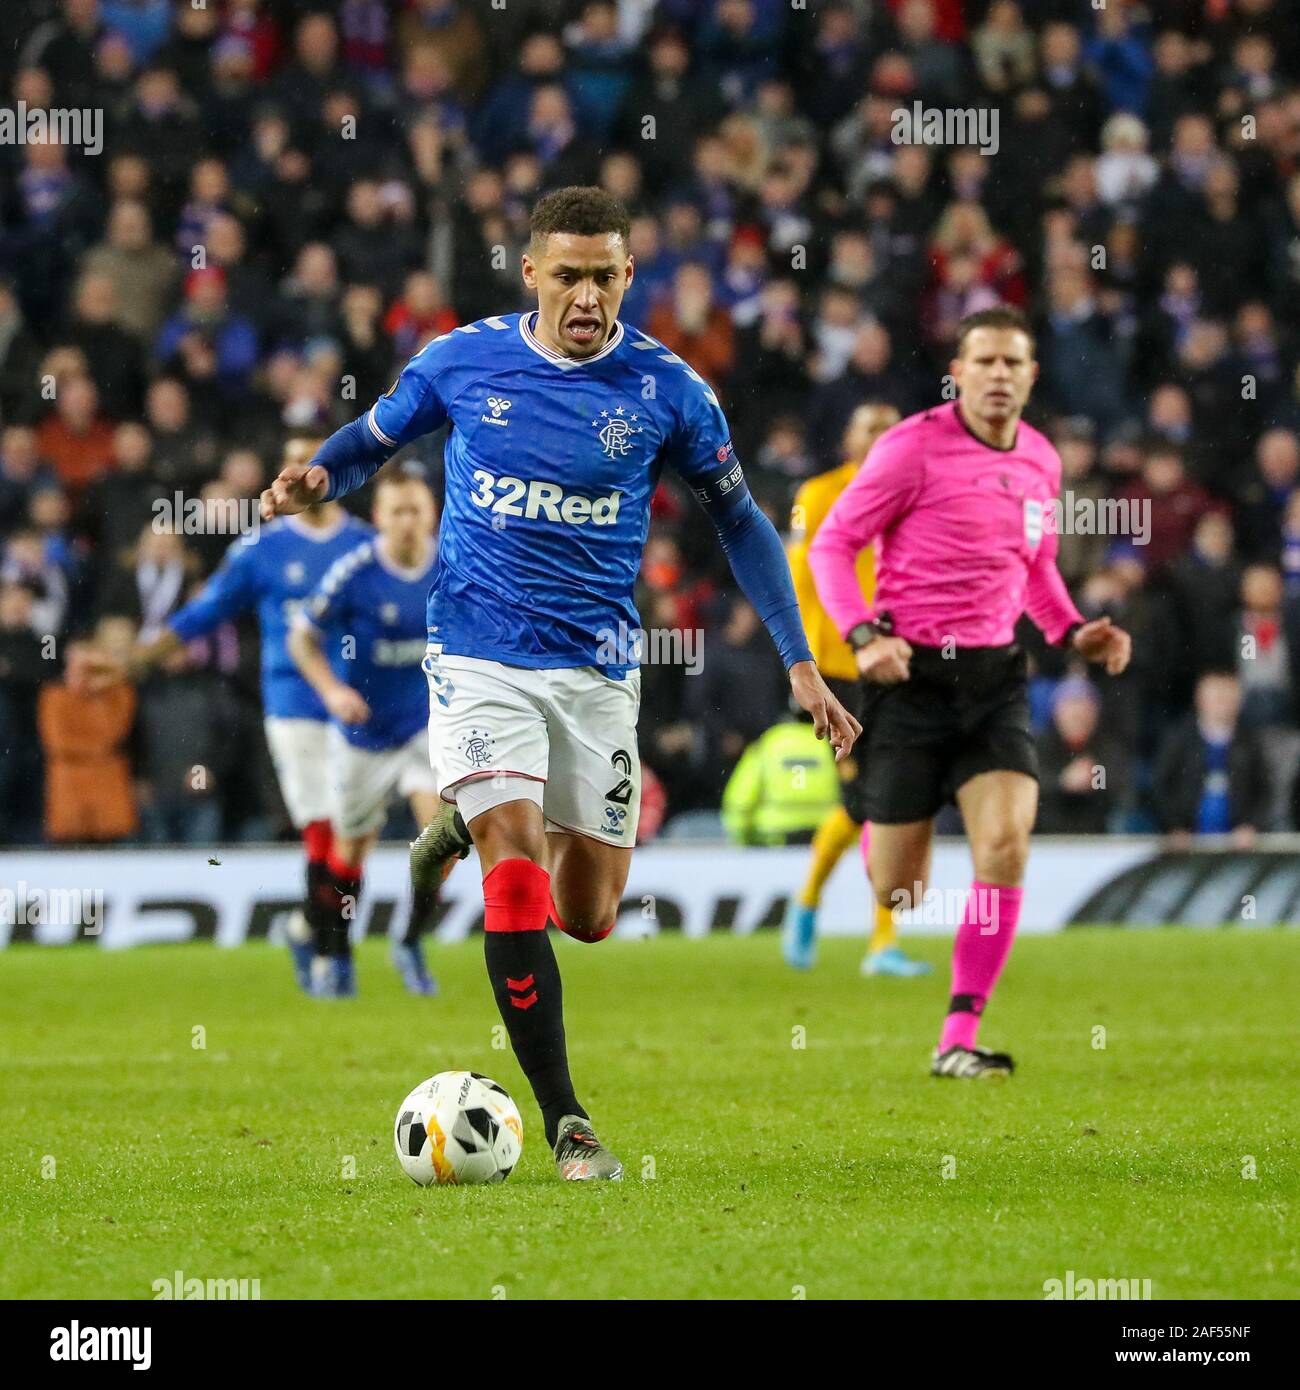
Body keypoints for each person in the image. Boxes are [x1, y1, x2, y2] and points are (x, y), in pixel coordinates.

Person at [260, 185, 859, 1180]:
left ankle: (467, 820)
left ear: (629, 275)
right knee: (515, 861)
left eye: (606, 275)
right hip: (478, 656)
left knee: (587, 914)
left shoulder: (669, 389)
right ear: (532, 272)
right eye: (568, 274)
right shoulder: (460, 360)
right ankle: (567, 1121)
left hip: (595, 672)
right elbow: (372, 439)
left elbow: (742, 521)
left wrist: (801, 659)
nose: (587, 295)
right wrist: (318, 476)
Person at [808, 305, 1132, 1080]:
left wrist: (1070, 631)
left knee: (1005, 846)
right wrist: (861, 636)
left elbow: (1037, 567)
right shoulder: (910, 448)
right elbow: (832, 544)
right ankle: (871, 823)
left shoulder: (1042, 463)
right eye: (982, 361)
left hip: (993, 680)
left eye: (1011, 363)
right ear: (958, 372)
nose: (996, 375)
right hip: (907, 679)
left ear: (1030, 376)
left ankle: (959, 1033)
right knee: (901, 888)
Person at [71, 434, 373, 991]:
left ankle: (309, 928)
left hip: (360, 708)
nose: (303, 472)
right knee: (326, 826)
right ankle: (337, 954)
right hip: (294, 705)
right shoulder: (261, 549)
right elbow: (202, 614)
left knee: (359, 833)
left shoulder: (366, 547)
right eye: (292, 461)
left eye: (315, 459)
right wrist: (132, 663)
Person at [783, 400, 930, 976]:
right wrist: (800, 660)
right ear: (850, 437)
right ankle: (874, 937)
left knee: (874, 800)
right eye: (870, 427)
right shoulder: (816, 495)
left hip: (894, 667)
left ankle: (815, 907)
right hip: (839, 673)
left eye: (890, 429)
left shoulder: (913, 498)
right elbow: (796, 572)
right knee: (875, 801)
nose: (880, 437)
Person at [288, 468, 442, 998]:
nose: (406, 522)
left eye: (415, 511)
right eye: (396, 511)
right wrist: (331, 691)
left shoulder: (452, 565)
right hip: (363, 737)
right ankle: (336, 950)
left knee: (441, 843)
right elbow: (302, 638)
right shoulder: (353, 572)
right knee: (350, 853)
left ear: (432, 515)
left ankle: (409, 938)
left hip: (425, 730)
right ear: (378, 518)